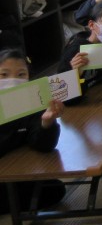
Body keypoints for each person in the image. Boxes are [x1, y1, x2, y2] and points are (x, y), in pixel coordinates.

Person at [0, 49, 66, 215]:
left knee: (54, 189)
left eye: (21, 74)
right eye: (4, 75)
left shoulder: (31, 101)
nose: (12, 80)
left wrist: (47, 122)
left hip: (13, 171)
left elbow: (43, 145)